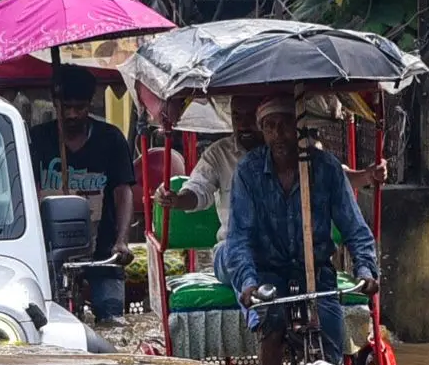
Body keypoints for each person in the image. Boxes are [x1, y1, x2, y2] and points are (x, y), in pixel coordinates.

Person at [226, 97, 380, 365]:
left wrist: (366, 268)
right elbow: (239, 238)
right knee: (270, 326)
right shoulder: (248, 172)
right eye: (270, 127)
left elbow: (354, 227)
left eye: (285, 126)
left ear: (298, 130)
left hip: (317, 271)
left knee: (332, 336)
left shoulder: (326, 168)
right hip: (268, 272)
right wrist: (248, 282)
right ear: (262, 131)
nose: (278, 135)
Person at [156, 99, 388, 282]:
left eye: (250, 117)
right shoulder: (223, 156)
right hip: (238, 251)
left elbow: (336, 180)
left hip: (290, 253)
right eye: (237, 117)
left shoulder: (306, 155)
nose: (244, 124)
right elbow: (198, 190)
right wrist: (177, 200)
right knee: (240, 259)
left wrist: (368, 175)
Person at [29, 65, 136, 324]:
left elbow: (123, 191)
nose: (73, 114)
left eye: (80, 107)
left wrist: (122, 240)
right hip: (51, 251)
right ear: (55, 104)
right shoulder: (36, 140)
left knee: (113, 321)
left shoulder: (111, 139)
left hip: (103, 248)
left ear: (91, 104)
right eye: (66, 107)